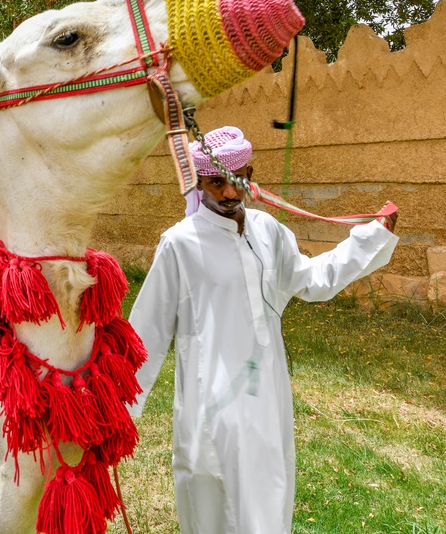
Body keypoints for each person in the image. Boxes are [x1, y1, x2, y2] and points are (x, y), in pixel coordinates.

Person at [127, 126, 399, 534]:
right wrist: (117, 416)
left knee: (268, 497)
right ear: (200, 185)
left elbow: (313, 279)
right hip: (210, 408)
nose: (229, 194)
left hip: (267, 402)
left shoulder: (268, 231)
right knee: (213, 505)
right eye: (216, 183)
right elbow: (145, 335)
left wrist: (372, 237)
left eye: (236, 181)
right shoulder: (179, 244)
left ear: (249, 174)